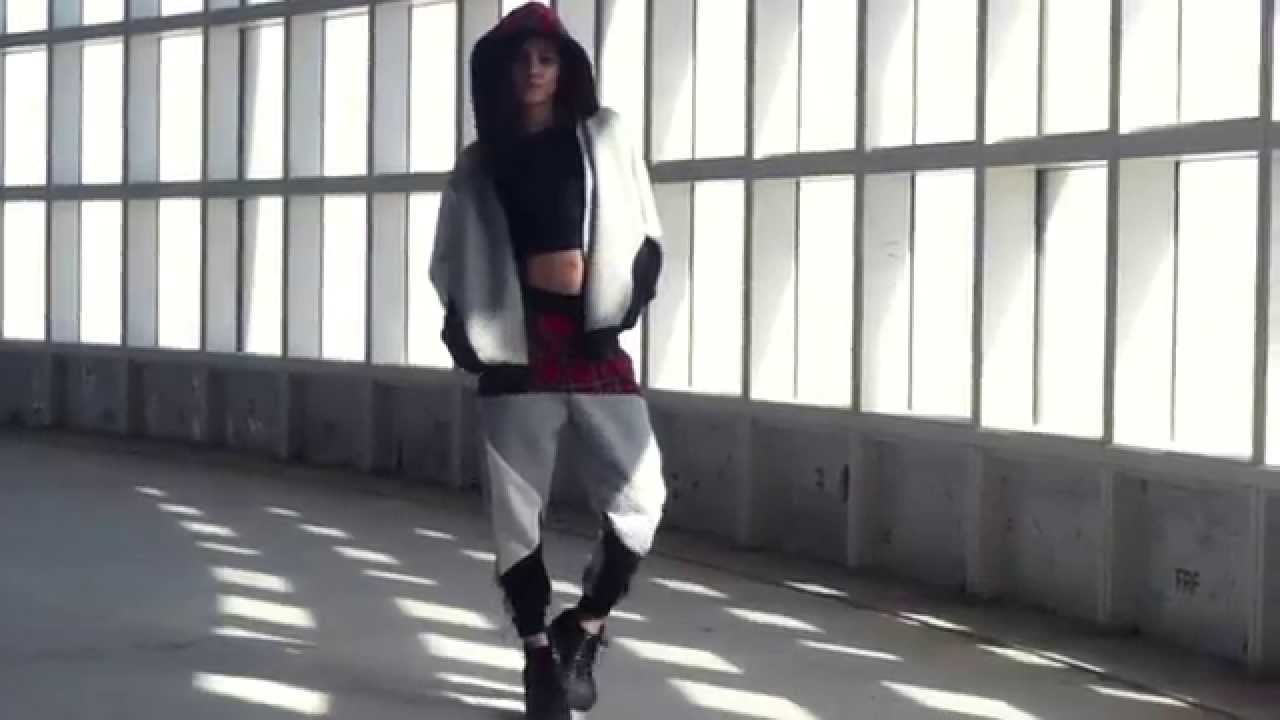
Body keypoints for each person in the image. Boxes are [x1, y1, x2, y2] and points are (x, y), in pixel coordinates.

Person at [429, 3, 667, 718]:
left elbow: (644, 234)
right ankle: (537, 656)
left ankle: (584, 627)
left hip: (593, 343)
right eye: (521, 59)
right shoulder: (480, 164)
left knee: (643, 502)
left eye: (547, 57)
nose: (534, 70)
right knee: (516, 516)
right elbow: (452, 260)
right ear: (501, 73)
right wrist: (469, 334)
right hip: (517, 351)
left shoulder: (604, 135)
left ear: (565, 67)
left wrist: (623, 307)